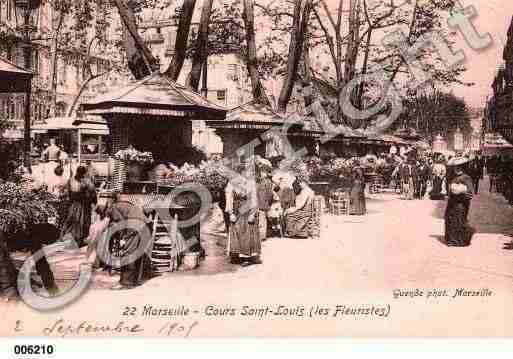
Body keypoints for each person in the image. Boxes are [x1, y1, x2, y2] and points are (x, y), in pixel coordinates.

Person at [102, 195, 153, 290]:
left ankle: (125, 283)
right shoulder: (124, 204)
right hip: (146, 225)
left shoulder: (112, 208)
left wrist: (122, 238)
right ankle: (135, 280)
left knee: (128, 253)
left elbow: (120, 222)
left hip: (135, 226)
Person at [225, 164, 261, 267]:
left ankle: (247, 256)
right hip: (237, 210)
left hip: (248, 209)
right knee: (236, 231)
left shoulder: (251, 183)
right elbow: (229, 198)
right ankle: (236, 254)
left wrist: (253, 213)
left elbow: (254, 199)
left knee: (248, 232)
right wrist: (231, 213)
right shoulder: (232, 183)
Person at [60, 166, 97, 247]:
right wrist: (93, 201)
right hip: (82, 204)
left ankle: (71, 239)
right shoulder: (86, 181)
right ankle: (78, 240)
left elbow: (68, 193)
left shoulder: (71, 180)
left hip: (74, 204)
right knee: (81, 222)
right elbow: (93, 192)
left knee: (73, 221)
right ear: (84, 173)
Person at [444, 157, 475, 247]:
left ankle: (457, 240)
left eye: (459, 167)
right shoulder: (453, 177)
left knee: (458, 220)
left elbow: (470, 192)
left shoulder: (466, 178)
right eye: (455, 167)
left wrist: (460, 190)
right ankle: (451, 239)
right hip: (452, 202)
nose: (456, 169)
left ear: (462, 167)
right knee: (450, 219)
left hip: (460, 204)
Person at [256, 165, 274, 241]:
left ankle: (262, 236)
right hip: (259, 202)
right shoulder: (260, 181)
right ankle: (260, 235)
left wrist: (268, 202)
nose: (262, 174)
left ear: (266, 173)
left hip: (263, 203)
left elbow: (270, 194)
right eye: (261, 172)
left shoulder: (268, 182)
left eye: (263, 172)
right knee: (260, 219)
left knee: (262, 220)